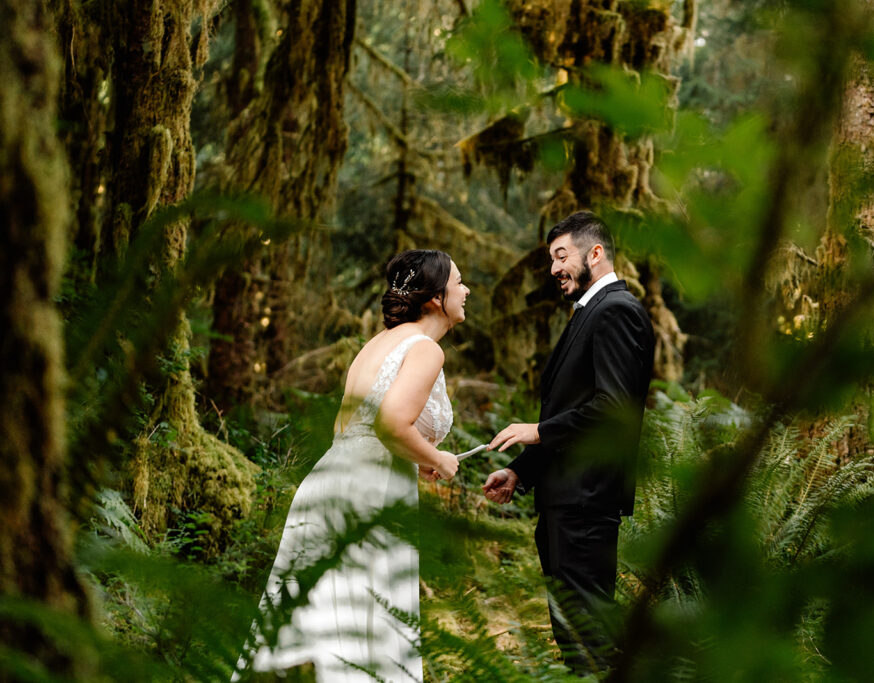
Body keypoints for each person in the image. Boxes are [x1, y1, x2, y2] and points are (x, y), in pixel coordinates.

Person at [236, 250, 469, 682]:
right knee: (366, 627)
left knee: (321, 624)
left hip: (330, 482)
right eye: (459, 282)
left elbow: (353, 429)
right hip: (369, 494)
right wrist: (438, 457)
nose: (466, 290)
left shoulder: (376, 345)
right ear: (435, 298)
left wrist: (416, 460)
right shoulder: (425, 350)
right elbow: (389, 423)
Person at [483, 211, 655, 675]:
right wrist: (522, 470)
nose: (554, 268)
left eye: (562, 256)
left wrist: (536, 431)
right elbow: (571, 410)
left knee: (591, 635)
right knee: (574, 636)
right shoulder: (590, 313)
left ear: (595, 253)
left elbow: (613, 408)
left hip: (587, 501)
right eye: (551, 259)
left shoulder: (617, 311)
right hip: (566, 501)